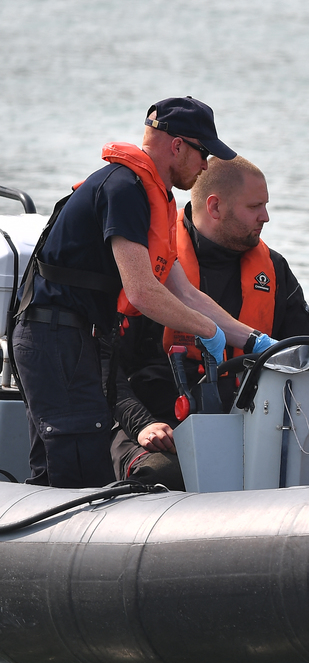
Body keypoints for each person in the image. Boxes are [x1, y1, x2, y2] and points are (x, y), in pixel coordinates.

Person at [11, 97, 273, 488]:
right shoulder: (125, 188)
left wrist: (253, 340)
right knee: (77, 474)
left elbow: (185, 293)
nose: (206, 166)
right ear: (178, 145)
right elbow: (141, 292)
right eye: (204, 153)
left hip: (72, 339)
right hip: (55, 338)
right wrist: (207, 332)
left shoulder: (152, 196)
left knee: (68, 468)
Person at [110, 155, 309, 487]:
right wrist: (142, 424)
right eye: (255, 207)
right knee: (164, 474)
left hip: (253, 428)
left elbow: (307, 357)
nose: (266, 217)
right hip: (157, 429)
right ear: (215, 207)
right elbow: (105, 367)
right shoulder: (144, 268)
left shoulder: (274, 271)